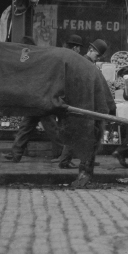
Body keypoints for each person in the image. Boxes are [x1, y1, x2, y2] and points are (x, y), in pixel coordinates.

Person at [4, 36, 63, 163]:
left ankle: (61, 154)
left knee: (51, 127)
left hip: (42, 99)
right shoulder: (35, 58)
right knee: (27, 126)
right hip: (36, 99)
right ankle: (16, 153)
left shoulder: (36, 59)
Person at [54, 38, 108, 169]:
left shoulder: (86, 63)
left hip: (84, 102)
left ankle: (85, 159)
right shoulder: (83, 64)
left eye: (100, 57)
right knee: (77, 132)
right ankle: (66, 161)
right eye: (97, 55)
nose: (98, 58)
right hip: (81, 103)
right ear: (91, 50)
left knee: (85, 133)